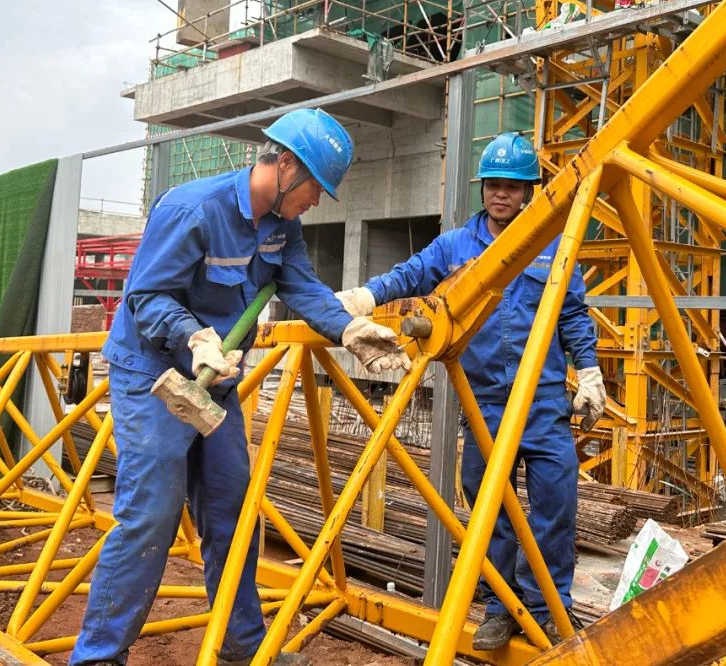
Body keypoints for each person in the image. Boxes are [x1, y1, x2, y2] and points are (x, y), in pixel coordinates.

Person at [71, 109, 410, 666]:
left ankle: (241, 648)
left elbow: (301, 285)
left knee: (233, 509)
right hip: (155, 374)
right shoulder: (193, 209)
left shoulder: (283, 227)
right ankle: (99, 657)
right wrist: (193, 337)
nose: (318, 202)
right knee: (151, 514)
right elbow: (146, 297)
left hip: (216, 385)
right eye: (316, 188)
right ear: (285, 166)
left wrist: (347, 327)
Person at [335, 132, 605, 649]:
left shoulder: (551, 245)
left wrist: (589, 371)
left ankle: (549, 607)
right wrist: (368, 294)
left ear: (529, 191)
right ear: (483, 188)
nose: (501, 194)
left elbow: (571, 314)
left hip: (543, 403)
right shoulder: (457, 246)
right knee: (490, 511)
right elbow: (412, 273)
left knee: (555, 504)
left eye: (512, 186)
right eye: (493, 185)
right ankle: (501, 607)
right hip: (482, 404)